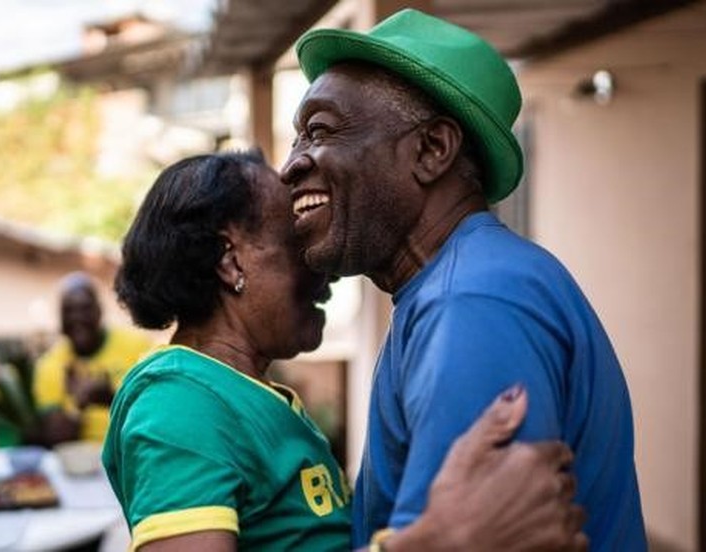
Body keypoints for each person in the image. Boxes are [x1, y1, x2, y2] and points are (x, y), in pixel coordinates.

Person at [280, 9, 645, 550]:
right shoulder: (460, 285)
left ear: (432, 150)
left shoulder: (471, 303)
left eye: (319, 131)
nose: (290, 166)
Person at [104, 151, 586, 551]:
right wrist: (436, 542)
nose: (326, 267)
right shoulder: (178, 401)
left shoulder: (239, 395)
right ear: (231, 261)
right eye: (299, 242)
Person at [32, 271, 152, 446]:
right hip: (80, 457)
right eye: (69, 311)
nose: (77, 318)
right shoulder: (50, 365)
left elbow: (155, 413)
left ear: (99, 311)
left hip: (132, 449)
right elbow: (56, 437)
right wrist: (78, 404)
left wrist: (111, 398)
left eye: (85, 309)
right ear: (60, 317)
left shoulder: (137, 347)